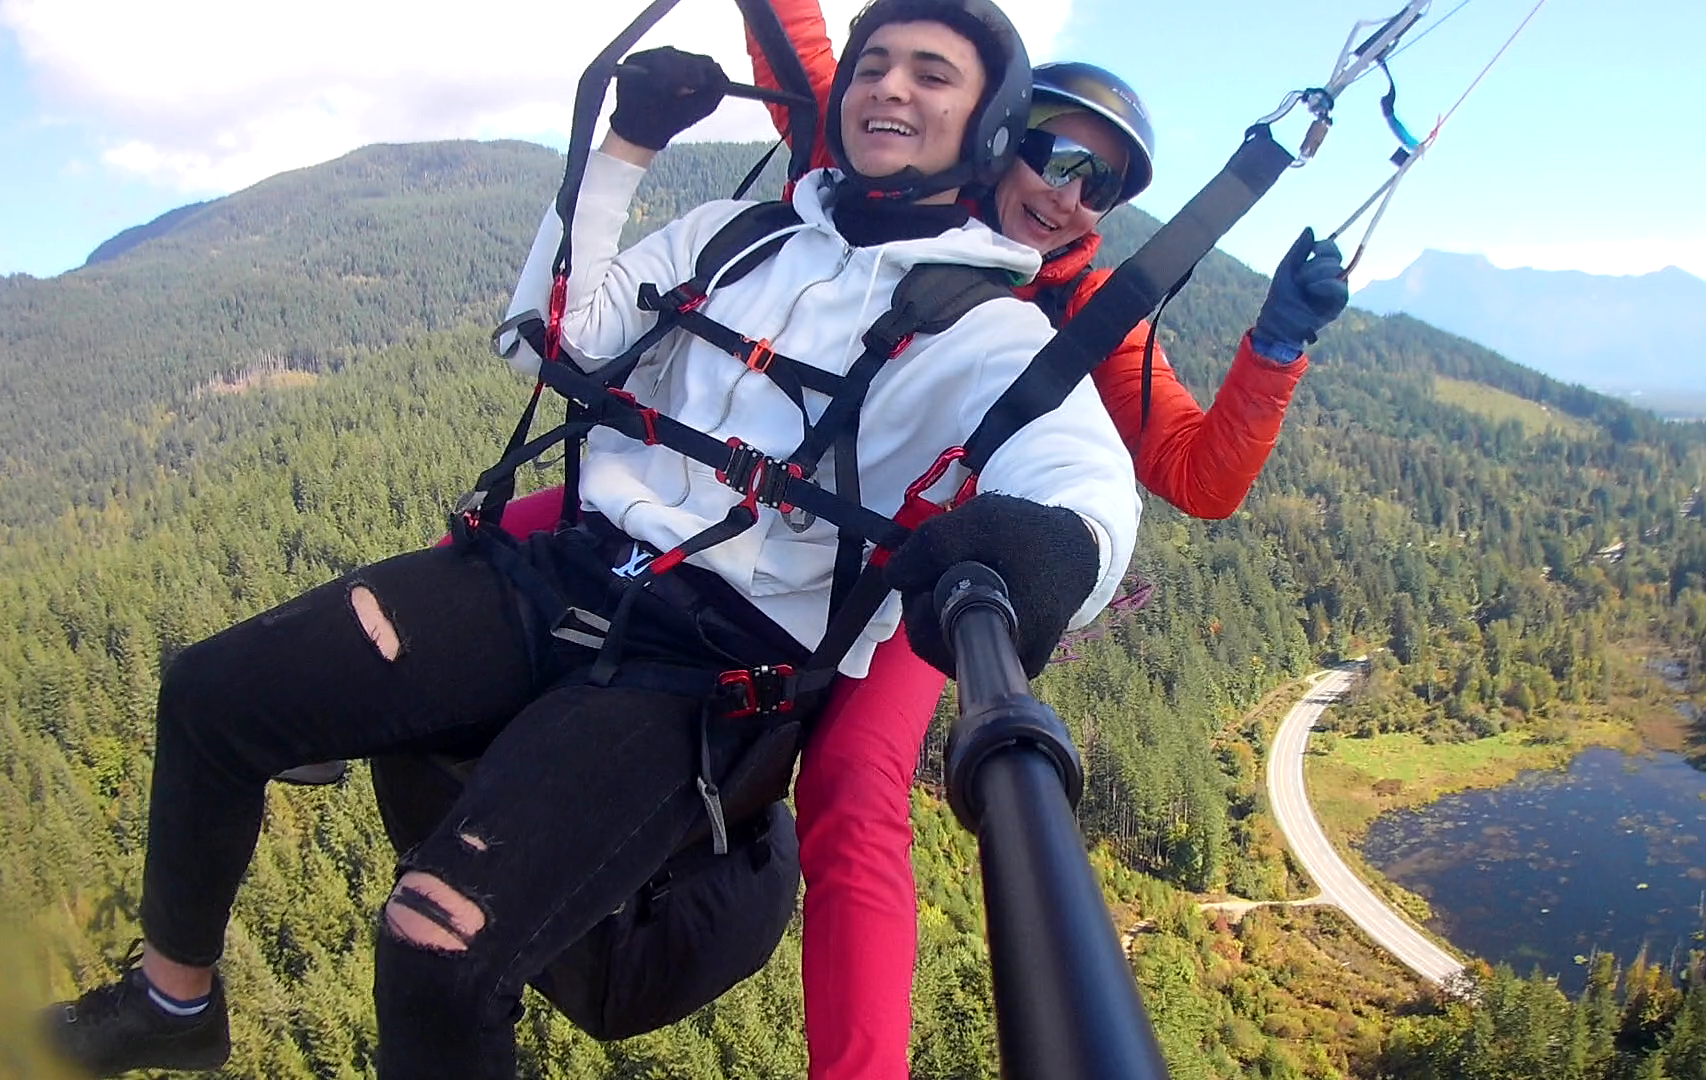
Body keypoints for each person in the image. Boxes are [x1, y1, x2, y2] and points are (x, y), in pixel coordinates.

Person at [38, 0, 1140, 1075]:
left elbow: (1087, 485)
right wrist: (625, 149)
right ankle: (172, 1003)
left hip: (710, 666)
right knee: (214, 695)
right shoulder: (737, 234)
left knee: (438, 953)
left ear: (984, 126)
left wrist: (1047, 551)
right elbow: (551, 337)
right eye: (873, 65)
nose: (889, 86)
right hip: (562, 569)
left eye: (931, 74)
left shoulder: (992, 331)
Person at [737, 3, 1351, 1077]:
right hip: (757, 517)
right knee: (533, 543)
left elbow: (1197, 477)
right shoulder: (895, 181)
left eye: (1098, 183)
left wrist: (1278, 345)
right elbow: (812, 66)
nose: (1068, 194)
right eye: (1055, 152)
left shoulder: (1086, 312)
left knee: (853, 787)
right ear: (993, 129)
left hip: (900, 588)